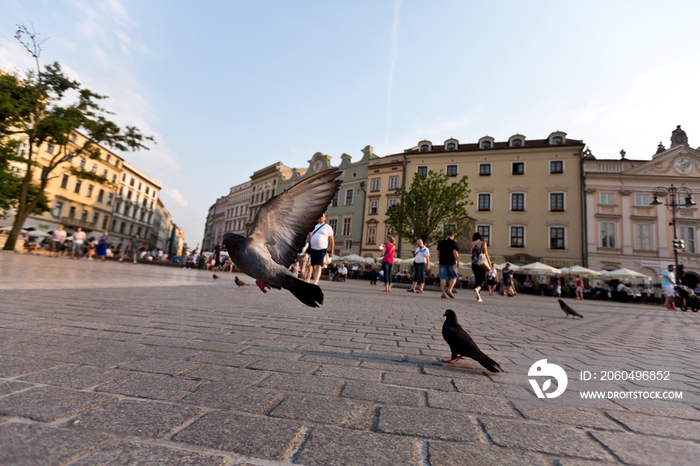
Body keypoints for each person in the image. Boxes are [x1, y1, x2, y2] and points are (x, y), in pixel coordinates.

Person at [305, 212, 334, 286]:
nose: (320, 217)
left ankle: (315, 282)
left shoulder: (327, 227)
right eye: (319, 216)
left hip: (322, 249)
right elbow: (309, 236)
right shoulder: (314, 226)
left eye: (322, 216)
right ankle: (309, 280)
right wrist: (305, 242)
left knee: (318, 265)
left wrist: (331, 250)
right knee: (311, 266)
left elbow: (331, 240)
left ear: (325, 218)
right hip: (312, 248)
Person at [439, 231, 461, 299]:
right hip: (451, 262)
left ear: (446, 235)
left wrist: (439, 260)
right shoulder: (453, 243)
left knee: (443, 277)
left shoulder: (441, 242)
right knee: (453, 276)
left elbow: (438, 252)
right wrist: (458, 261)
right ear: (452, 236)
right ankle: (449, 290)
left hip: (442, 262)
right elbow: (455, 252)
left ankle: (443, 293)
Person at [469, 232, 491, 302]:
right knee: (483, 279)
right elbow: (486, 254)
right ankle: (478, 289)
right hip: (481, 263)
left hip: (474, 263)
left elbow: (471, 252)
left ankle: (478, 296)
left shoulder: (472, 243)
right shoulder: (483, 243)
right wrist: (489, 263)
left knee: (477, 278)